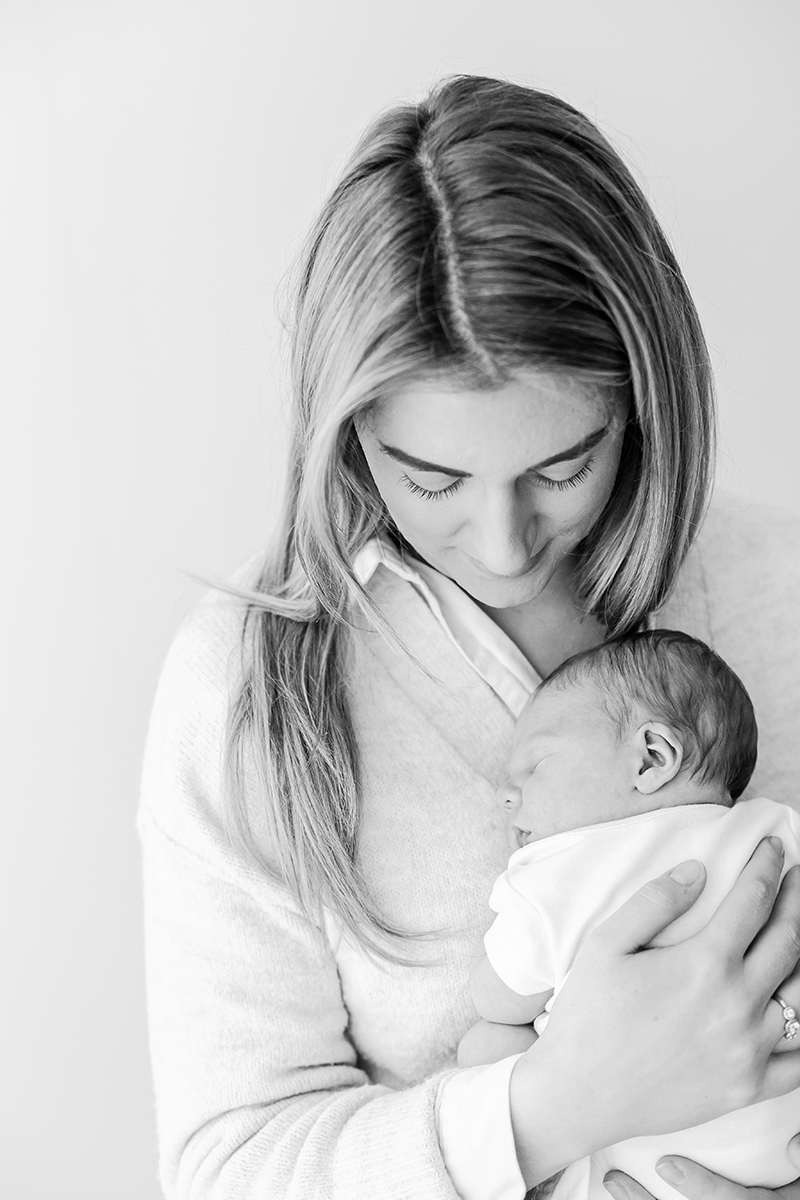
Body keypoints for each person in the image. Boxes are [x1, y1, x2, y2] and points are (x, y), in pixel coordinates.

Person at [138, 75, 800, 1200]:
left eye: (561, 466)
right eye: (430, 478)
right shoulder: (245, 697)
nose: (500, 545)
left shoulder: (773, 582)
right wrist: (551, 1109)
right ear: (345, 438)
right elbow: (229, 1167)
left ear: (644, 402)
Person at [458, 630, 800, 1199]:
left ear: (652, 758)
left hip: (637, 1168)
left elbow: (500, 997)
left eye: (536, 764)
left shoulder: (562, 871)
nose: (507, 794)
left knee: (485, 1044)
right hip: (779, 1142)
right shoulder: (775, 827)